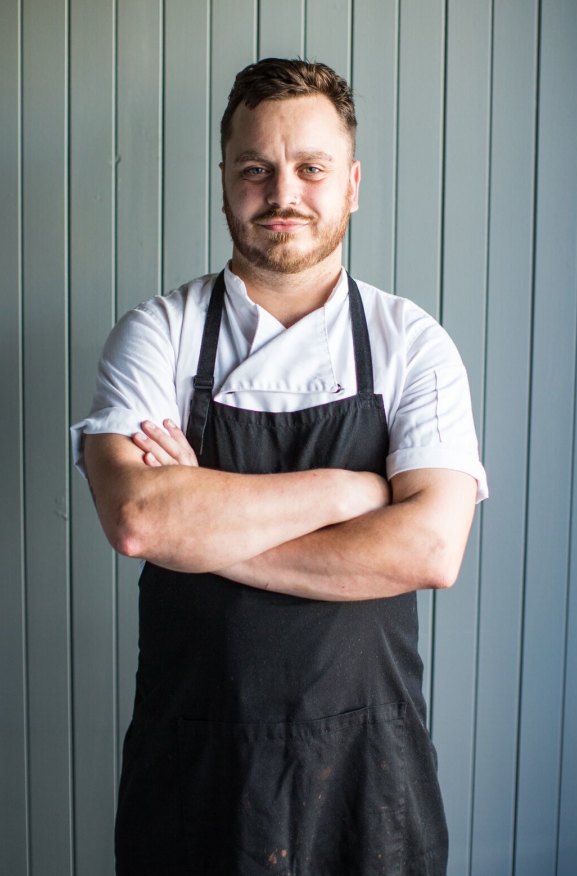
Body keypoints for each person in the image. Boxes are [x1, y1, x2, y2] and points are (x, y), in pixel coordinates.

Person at [72, 58, 487, 876]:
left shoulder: (413, 345)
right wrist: (352, 491)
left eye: (311, 168)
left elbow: (429, 552)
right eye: (255, 169)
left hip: (371, 771)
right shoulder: (159, 335)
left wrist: (207, 528)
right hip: (196, 767)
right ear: (224, 180)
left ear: (353, 184)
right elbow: (140, 521)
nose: (283, 192)